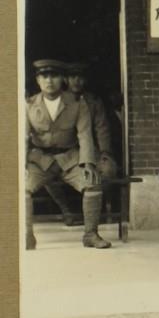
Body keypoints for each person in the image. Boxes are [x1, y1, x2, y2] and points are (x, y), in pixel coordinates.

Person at [25, 59, 111, 250]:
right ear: (38, 80)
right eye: (44, 76)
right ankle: (26, 237)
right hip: (40, 160)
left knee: (93, 183)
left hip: (69, 158)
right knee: (21, 188)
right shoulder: (29, 105)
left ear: (62, 79)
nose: (49, 81)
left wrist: (88, 163)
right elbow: (22, 138)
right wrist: (20, 165)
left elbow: (85, 134)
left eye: (54, 76)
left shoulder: (77, 104)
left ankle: (91, 234)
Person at [45, 61, 118, 225]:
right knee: (44, 171)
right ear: (65, 79)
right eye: (72, 76)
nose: (76, 81)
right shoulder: (57, 100)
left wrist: (105, 152)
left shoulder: (93, 101)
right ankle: (67, 211)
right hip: (66, 151)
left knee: (107, 169)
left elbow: (102, 128)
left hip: (90, 150)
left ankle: (96, 213)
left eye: (80, 77)